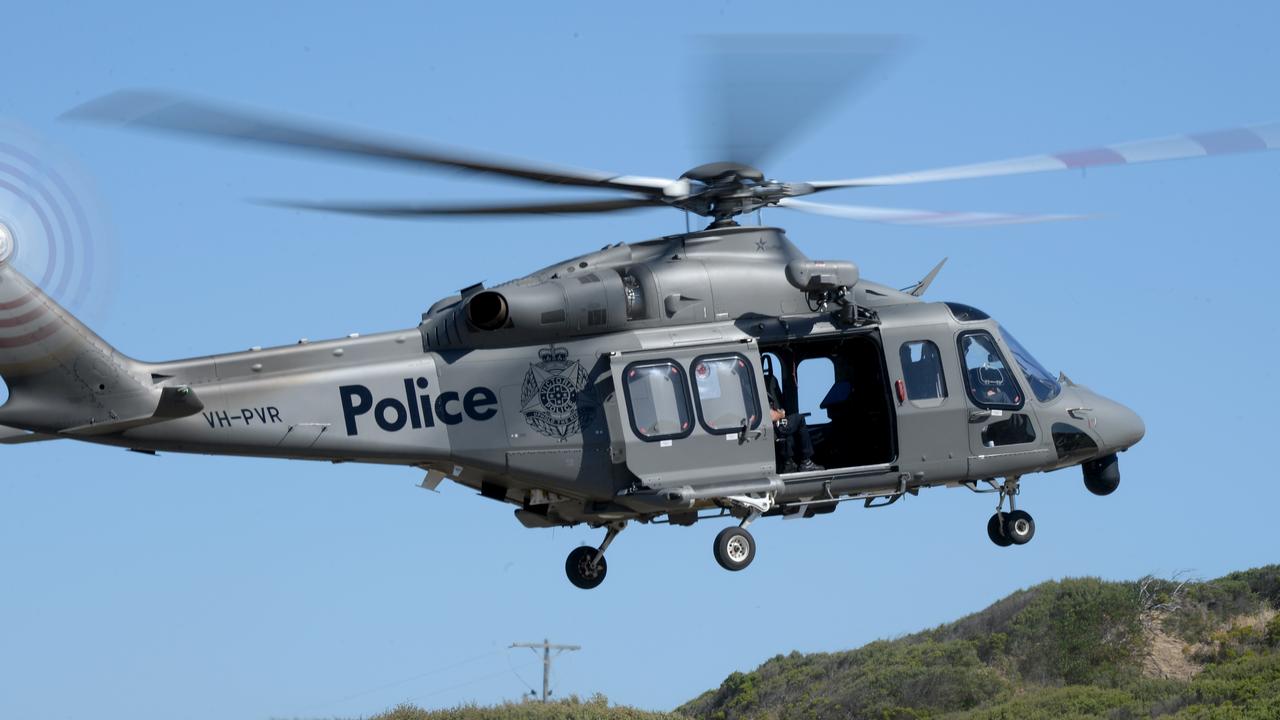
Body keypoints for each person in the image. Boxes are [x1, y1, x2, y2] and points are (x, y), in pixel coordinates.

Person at [765, 369, 823, 473]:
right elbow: (768, 415)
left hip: (774, 424)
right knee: (799, 419)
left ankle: (788, 463)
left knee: (789, 424)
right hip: (771, 424)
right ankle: (806, 462)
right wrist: (781, 414)